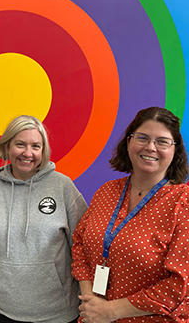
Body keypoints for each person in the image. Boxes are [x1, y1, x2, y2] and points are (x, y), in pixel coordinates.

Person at [72, 106, 189, 323]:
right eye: (142, 138)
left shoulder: (182, 202)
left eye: (162, 141)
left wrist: (110, 311)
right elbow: (79, 243)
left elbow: (181, 285)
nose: (150, 147)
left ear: (175, 150)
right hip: (93, 317)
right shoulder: (107, 191)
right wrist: (90, 300)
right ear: (128, 143)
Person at [0, 115, 88, 323]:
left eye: (36, 146)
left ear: (43, 151)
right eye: (20, 144)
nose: (28, 153)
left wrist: (88, 299)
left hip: (57, 313)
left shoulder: (63, 187)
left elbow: (83, 248)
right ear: (7, 147)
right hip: (0, 308)